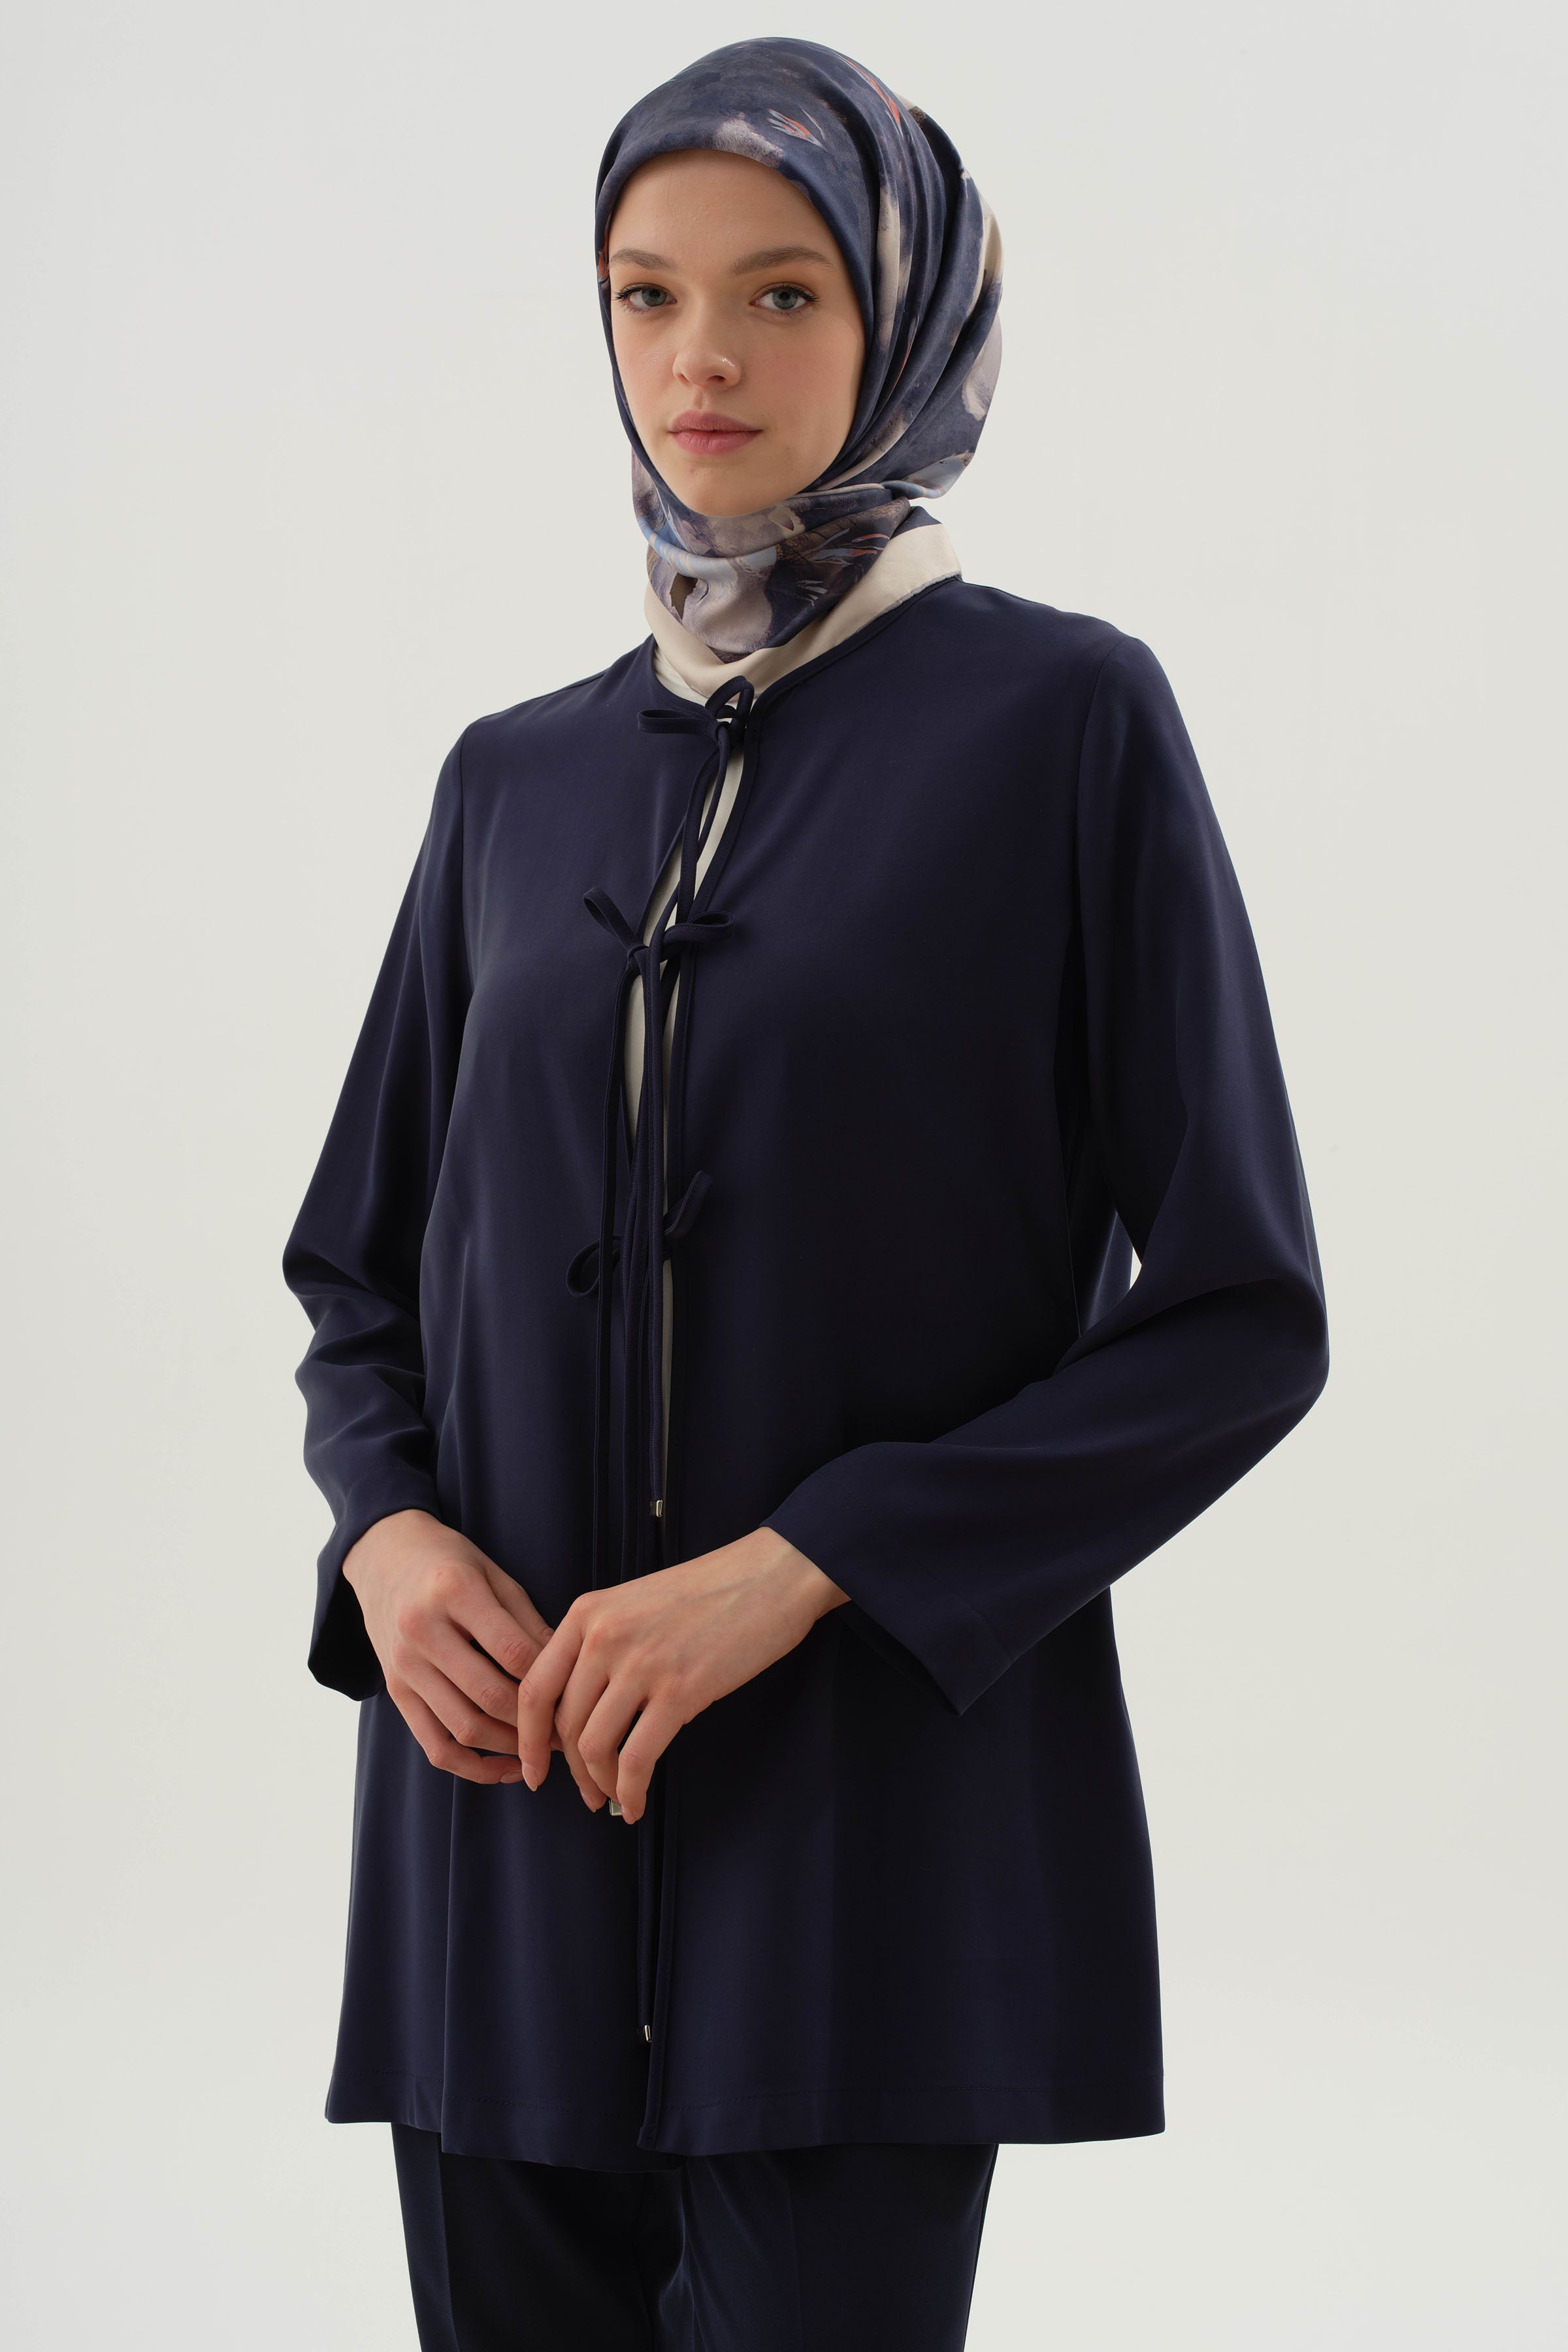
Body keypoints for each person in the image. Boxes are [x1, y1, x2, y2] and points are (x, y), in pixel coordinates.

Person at [282, 35, 1329, 2352]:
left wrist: (809, 1564)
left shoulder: (1064, 725)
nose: (703, 360)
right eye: (646, 295)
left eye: (781, 292)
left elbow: (1243, 1313)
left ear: (905, 314)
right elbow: (355, 1268)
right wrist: (391, 1535)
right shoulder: (511, 784)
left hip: (858, 1844)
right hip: (495, 1830)